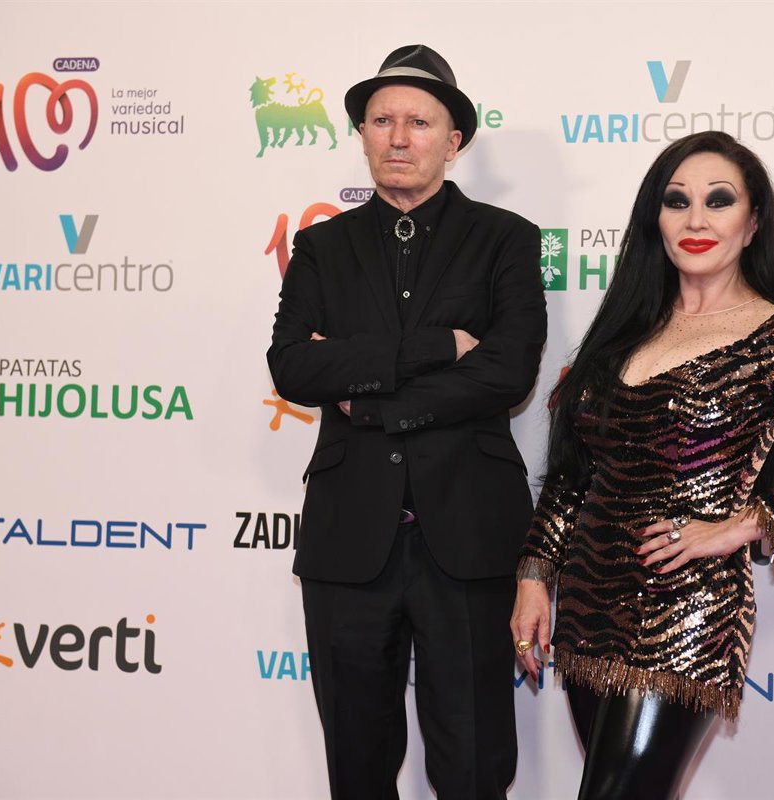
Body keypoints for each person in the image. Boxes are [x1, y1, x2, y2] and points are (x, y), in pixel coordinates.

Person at [510, 130, 774, 799]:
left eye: (719, 200)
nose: (696, 220)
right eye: (677, 201)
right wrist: (536, 576)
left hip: (688, 611)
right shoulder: (625, 328)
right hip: (588, 608)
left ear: (753, 222)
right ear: (655, 218)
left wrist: (737, 527)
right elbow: (571, 476)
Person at [267, 44, 546, 800]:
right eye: (382, 120)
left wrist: (369, 399)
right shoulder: (321, 246)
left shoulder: (506, 238)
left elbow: (507, 372)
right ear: (362, 134)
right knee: (357, 767)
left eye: (418, 122)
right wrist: (436, 348)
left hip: (470, 538)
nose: (398, 137)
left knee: (475, 765)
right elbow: (293, 367)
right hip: (348, 540)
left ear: (453, 141)